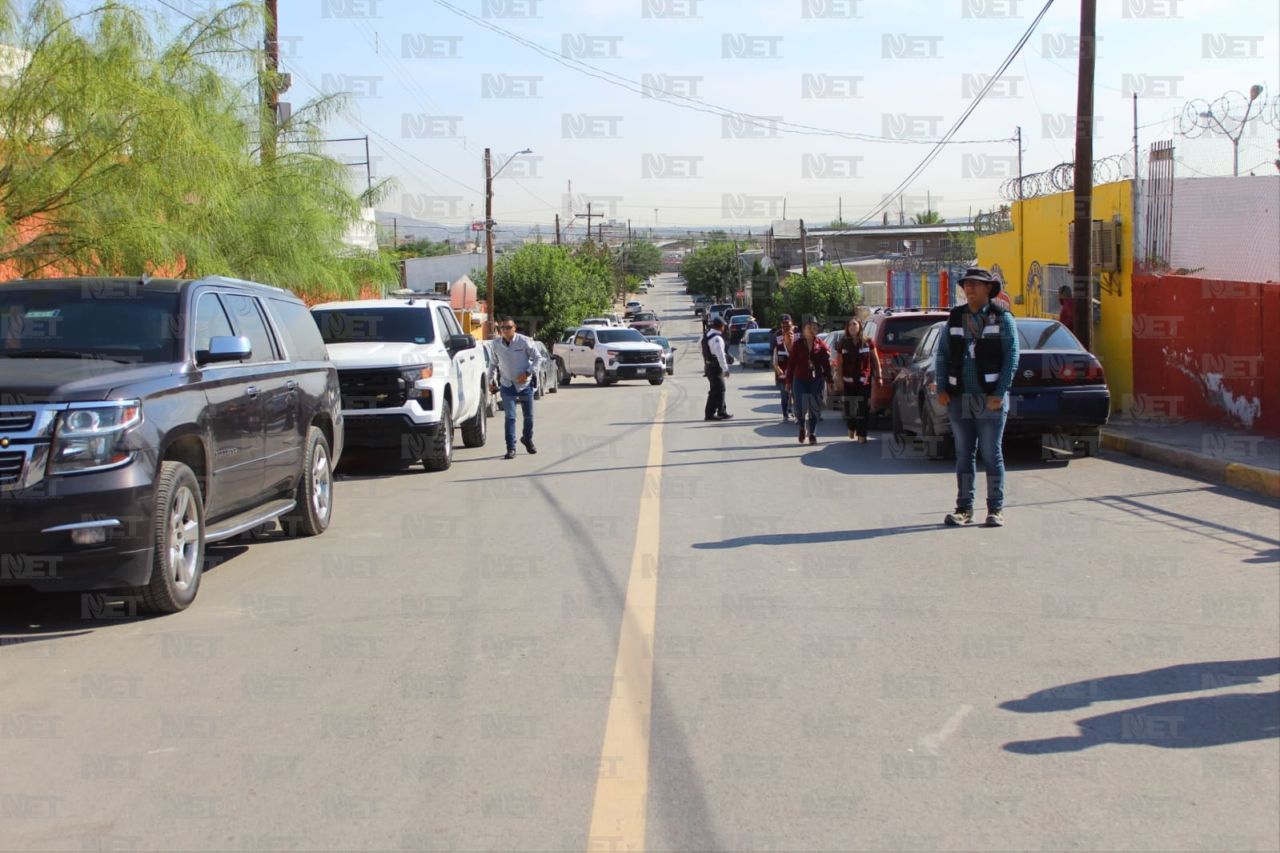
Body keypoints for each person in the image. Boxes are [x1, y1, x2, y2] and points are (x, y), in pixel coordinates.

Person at [935, 268, 1020, 528]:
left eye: (975, 284)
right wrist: (941, 388)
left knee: (991, 454)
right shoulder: (956, 317)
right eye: (966, 284)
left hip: (989, 399)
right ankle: (964, 509)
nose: (969, 288)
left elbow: (1012, 357)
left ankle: (995, 509)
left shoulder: (1001, 318)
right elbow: (942, 354)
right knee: (963, 454)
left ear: (988, 289)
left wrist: (1000, 393)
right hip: (959, 398)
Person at [488, 317, 543, 460]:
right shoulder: (495, 344)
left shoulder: (524, 341)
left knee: (529, 417)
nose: (505, 330)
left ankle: (527, 438)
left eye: (508, 327)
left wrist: (528, 372)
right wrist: (490, 381)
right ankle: (511, 447)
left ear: (514, 328)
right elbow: (493, 364)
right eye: (502, 328)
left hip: (525, 385)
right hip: (507, 385)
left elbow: (538, 358)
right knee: (510, 417)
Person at [833, 316, 883, 443]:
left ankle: (862, 434)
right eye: (850, 325)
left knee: (863, 408)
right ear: (847, 328)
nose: (852, 327)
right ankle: (851, 426)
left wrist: (879, 376)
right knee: (850, 408)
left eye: (855, 324)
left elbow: (875, 360)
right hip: (848, 381)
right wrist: (838, 379)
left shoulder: (868, 342)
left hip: (864, 381)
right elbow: (839, 363)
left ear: (860, 326)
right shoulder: (842, 343)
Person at [784, 318, 832, 445]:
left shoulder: (821, 345)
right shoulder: (798, 344)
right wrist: (788, 382)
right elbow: (791, 364)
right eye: (808, 327)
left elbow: (826, 364)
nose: (811, 330)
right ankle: (801, 427)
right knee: (800, 407)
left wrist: (830, 380)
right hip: (799, 380)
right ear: (803, 330)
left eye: (814, 327)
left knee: (814, 408)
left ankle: (812, 433)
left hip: (816, 380)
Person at [701, 316, 733, 421]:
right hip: (715, 367)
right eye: (724, 326)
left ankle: (721, 411)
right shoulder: (717, 339)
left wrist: (708, 357)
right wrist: (726, 369)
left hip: (709, 366)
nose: (725, 328)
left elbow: (700, 346)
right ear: (720, 327)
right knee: (717, 390)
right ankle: (710, 414)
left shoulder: (707, 335)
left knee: (719, 389)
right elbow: (720, 355)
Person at [769, 314, 796, 422]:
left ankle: (795, 412)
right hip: (783, 377)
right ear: (783, 337)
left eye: (791, 335)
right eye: (787, 335)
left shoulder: (797, 347)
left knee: (795, 395)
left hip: (795, 377)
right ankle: (785, 413)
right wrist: (777, 369)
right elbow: (774, 361)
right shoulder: (778, 346)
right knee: (785, 396)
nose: (789, 336)